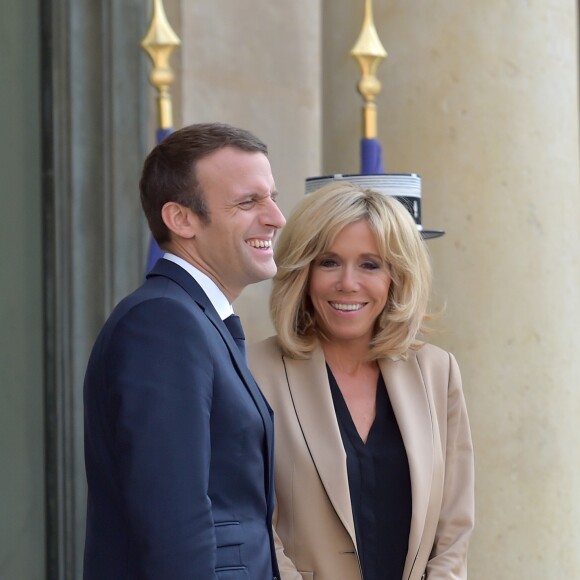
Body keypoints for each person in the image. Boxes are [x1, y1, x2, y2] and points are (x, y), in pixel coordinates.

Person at [83, 122, 286, 579]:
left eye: (272, 196)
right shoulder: (162, 323)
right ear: (182, 219)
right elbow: (174, 520)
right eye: (249, 201)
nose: (276, 217)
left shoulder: (198, 321)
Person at [248, 181, 474, 580]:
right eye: (329, 262)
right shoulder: (254, 372)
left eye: (370, 264)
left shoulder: (438, 372)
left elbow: (453, 529)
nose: (348, 283)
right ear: (302, 271)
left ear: (396, 277)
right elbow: (253, 525)